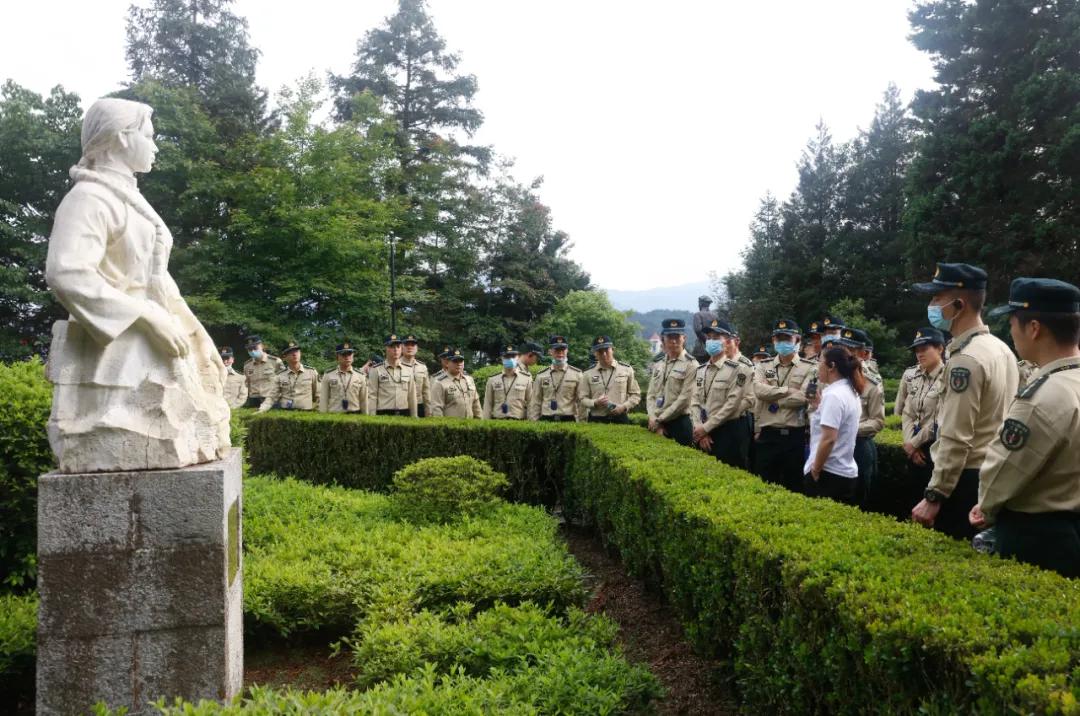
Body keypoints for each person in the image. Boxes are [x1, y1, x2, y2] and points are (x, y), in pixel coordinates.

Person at [969, 278, 1080, 578]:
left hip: (1036, 537)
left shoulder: (1043, 397)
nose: (1011, 332)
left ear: (1033, 328)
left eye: (1013, 322)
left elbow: (1004, 469)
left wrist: (986, 507)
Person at [910, 263, 1019, 539]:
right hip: (991, 473)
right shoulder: (1001, 348)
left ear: (958, 304)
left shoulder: (965, 360)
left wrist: (935, 495)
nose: (932, 305)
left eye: (937, 298)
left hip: (964, 479)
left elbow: (956, 436)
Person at [752, 319, 817, 491]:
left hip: (793, 436)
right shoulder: (762, 366)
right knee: (763, 486)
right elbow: (758, 390)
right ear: (773, 341)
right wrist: (788, 390)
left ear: (797, 341)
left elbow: (805, 397)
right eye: (779, 338)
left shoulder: (810, 367)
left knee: (793, 486)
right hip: (767, 435)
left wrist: (771, 394)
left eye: (787, 339)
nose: (783, 343)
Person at [803, 346, 864, 504]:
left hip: (829, 473)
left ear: (831, 366)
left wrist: (815, 470)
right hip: (843, 471)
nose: (818, 366)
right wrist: (819, 406)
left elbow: (829, 439)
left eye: (820, 361)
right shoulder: (849, 390)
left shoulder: (833, 395)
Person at [691, 319, 754, 467]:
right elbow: (694, 402)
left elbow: (732, 405)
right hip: (702, 432)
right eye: (709, 338)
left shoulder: (738, 369)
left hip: (727, 431)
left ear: (726, 342)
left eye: (716, 338)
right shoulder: (700, 370)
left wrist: (706, 428)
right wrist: (699, 428)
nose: (711, 341)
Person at [841, 329, 885, 504]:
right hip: (831, 444)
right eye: (843, 348)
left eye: (851, 350)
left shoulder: (872, 381)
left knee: (857, 498)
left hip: (858, 445)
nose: (846, 353)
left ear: (863, 353)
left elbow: (878, 421)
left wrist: (848, 430)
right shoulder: (828, 375)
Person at [900, 328, 946, 493]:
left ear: (940, 348)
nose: (919, 354)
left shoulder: (948, 378)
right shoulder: (915, 377)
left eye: (924, 349)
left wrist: (914, 443)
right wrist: (909, 444)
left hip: (935, 449)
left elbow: (941, 420)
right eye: (916, 351)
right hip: (913, 448)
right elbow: (907, 413)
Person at [646, 319, 698, 445]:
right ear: (663, 339)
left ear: (684, 338)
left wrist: (659, 419)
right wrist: (652, 417)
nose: (674, 341)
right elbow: (651, 395)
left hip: (679, 423)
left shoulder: (691, 364)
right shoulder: (659, 364)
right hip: (657, 423)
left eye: (677, 337)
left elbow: (684, 399)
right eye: (670, 337)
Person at [578, 335, 641, 424]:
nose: (604, 354)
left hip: (620, 418)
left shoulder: (626, 369)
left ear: (612, 350)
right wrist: (595, 402)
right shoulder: (587, 373)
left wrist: (623, 407)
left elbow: (635, 395)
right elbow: (582, 399)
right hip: (597, 420)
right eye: (600, 351)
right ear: (595, 354)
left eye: (606, 350)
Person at [529, 335, 583, 422]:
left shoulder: (577, 374)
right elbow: (536, 402)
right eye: (557, 350)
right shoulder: (541, 375)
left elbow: (581, 401)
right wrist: (533, 422)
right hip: (546, 420)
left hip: (568, 420)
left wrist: (581, 422)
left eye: (563, 350)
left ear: (567, 351)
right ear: (550, 351)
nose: (560, 353)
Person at [260, 341, 319, 412]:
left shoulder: (311, 372)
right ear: (284, 357)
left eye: (297, 351)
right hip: (285, 413)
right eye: (290, 352)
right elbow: (272, 397)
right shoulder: (280, 376)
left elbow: (319, 395)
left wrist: (319, 411)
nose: (294, 354)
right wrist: (262, 409)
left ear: (300, 353)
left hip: (306, 413)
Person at [368, 334, 418, 417]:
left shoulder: (408, 369)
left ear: (401, 349)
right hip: (383, 414)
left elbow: (412, 396)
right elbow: (372, 396)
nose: (396, 350)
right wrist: (372, 417)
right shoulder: (376, 370)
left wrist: (414, 416)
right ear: (386, 349)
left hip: (404, 413)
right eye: (392, 346)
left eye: (398, 346)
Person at [429, 348, 482, 418]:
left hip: (470, 425)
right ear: (447, 363)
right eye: (455, 361)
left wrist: (480, 422)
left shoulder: (469, 380)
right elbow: (436, 409)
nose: (459, 364)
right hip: (451, 427)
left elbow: (476, 404)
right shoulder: (439, 383)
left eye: (461, 361)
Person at [483, 345, 532, 420]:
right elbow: (487, 405)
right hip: (497, 422)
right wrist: (485, 424)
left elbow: (531, 403)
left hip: (519, 422)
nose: (510, 359)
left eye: (513, 357)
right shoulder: (492, 380)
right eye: (507, 357)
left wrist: (531, 424)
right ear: (502, 358)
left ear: (518, 358)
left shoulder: (526, 379)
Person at [319, 341, 368, 413]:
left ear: (353, 355)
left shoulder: (360, 376)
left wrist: (366, 419)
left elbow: (364, 400)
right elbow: (324, 399)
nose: (347, 357)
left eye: (349, 354)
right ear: (337, 357)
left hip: (355, 416)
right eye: (343, 354)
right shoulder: (328, 375)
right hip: (334, 415)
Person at [243, 334, 284, 408]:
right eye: (249, 349)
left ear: (262, 346)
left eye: (255, 348)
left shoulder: (275, 362)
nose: (252, 351)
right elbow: (246, 384)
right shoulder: (247, 365)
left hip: (271, 400)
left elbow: (284, 381)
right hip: (253, 401)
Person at [401, 334, 431, 417]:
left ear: (417, 348)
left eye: (412, 345)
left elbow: (426, 392)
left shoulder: (422, 367)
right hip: (402, 406)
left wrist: (428, 412)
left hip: (419, 406)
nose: (410, 347)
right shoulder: (396, 365)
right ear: (401, 347)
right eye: (406, 345)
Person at [691, 295, 719, 364]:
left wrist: (706, 341)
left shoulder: (698, 315)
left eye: (699, 302)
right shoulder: (715, 315)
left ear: (701, 303)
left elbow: (698, 330)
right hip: (714, 345)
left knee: (697, 366)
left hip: (701, 347)